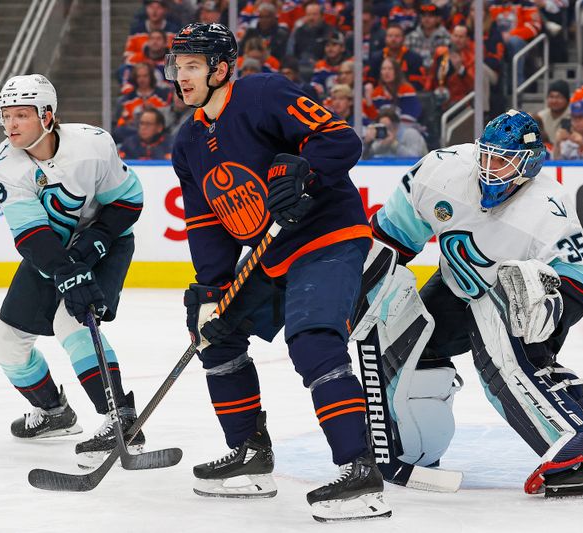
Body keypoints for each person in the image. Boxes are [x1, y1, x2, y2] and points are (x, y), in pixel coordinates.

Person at [164, 22, 391, 522]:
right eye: (177, 67)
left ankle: (359, 472)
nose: (181, 77)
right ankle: (250, 454)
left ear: (221, 69)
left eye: (192, 67)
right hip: (271, 255)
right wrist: (211, 290)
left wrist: (304, 171)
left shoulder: (264, 93)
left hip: (327, 237)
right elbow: (207, 224)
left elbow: (340, 138)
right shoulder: (187, 144)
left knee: (312, 339)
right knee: (214, 333)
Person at [362, 109, 583, 498]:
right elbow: (392, 238)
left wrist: (545, 318)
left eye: (502, 161)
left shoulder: (547, 207)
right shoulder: (441, 170)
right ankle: (416, 449)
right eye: (485, 156)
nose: (489, 168)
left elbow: (579, 278)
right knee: (410, 347)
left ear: (530, 163)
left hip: (520, 304)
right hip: (456, 290)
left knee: (506, 367)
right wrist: (364, 286)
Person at [0, 74, 145, 468]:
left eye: (21, 115)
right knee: (3, 341)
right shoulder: (5, 165)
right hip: (51, 255)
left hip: (105, 245)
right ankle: (55, 413)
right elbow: (32, 235)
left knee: (71, 322)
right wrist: (65, 269)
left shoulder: (93, 145)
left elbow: (129, 201)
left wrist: (96, 242)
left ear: (47, 115)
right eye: (6, 116)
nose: (11, 125)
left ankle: (121, 419)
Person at [363, 105, 428, 158]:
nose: (386, 131)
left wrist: (394, 144)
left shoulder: (411, 134)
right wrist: (368, 144)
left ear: (397, 125)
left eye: (388, 127)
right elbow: (365, 157)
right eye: (383, 127)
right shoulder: (381, 133)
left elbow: (415, 157)